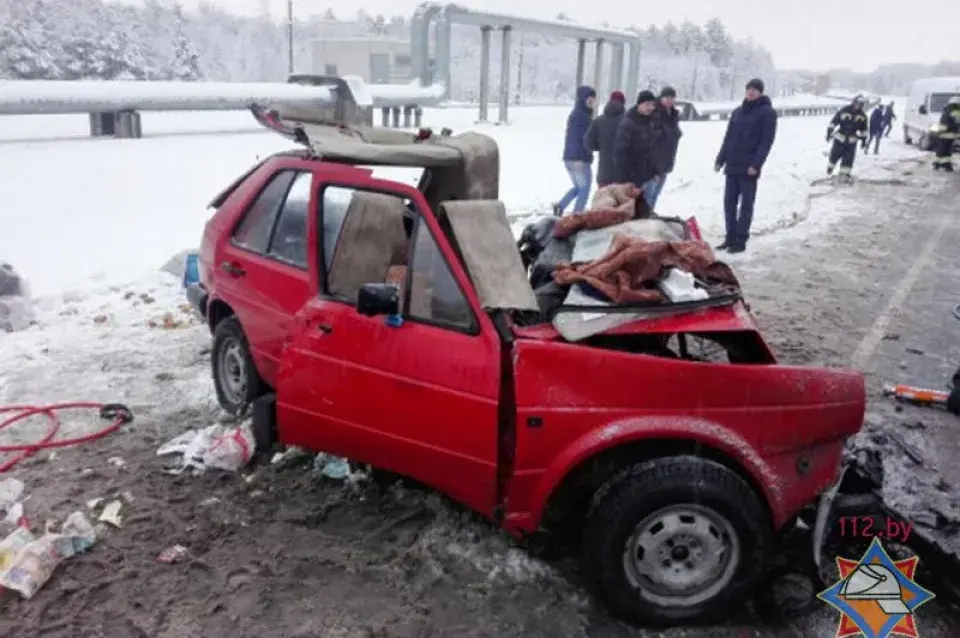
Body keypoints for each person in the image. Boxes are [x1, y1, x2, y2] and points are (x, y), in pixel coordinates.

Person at [713, 78, 777, 254]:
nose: (751, 92)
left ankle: (741, 239)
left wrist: (756, 164)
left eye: (755, 89)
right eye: (749, 88)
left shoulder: (767, 113)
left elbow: (766, 142)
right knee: (729, 203)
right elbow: (729, 137)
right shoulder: (737, 112)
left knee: (746, 205)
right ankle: (730, 236)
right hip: (732, 163)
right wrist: (721, 158)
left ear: (761, 92)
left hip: (749, 167)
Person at [613, 90, 665, 209]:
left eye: (652, 105)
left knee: (647, 211)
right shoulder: (628, 123)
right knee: (633, 213)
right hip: (633, 180)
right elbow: (620, 154)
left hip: (650, 177)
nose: (650, 108)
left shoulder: (650, 122)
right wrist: (630, 181)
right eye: (647, 104)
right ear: (639, 104)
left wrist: (656, 171)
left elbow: (653, 150)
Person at [553, 85, 596, 215]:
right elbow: (580, 138)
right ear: (582, 100)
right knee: (584, 189)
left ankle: (560, 206)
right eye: (589, 99)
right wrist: (583, 155)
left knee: (578, 188)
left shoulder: (575, 114)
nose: (592, 102)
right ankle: (577, 216)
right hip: (580, 159)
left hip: (569, 158)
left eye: (593, 100)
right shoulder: (583, 117)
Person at [649, 86, 683, 209]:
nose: (669, 100)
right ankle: (644, 220)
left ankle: (649, 216)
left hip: (666, 161)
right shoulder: (655, 113)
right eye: (667, 98)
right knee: (648, 195)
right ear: (661, 98)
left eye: (672, 98)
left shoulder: (673, 115)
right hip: (653, 164)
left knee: (655, 195)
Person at [584, 90, 627, 188]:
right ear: (623, 103)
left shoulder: (598, 121)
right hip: (623, 176)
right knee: (620, 203)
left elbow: (588, 143)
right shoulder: (629, 121)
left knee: (603, 202)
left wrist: (602, 145)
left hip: (604, 174)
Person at [826, 95, 868, 180]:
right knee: (835, 154)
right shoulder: (844, 110)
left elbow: (864, 129)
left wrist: (863, 141)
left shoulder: (863, 116)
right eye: (858, 104)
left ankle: (844, 174)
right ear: (854, 102)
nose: (858, 106)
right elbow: (834, 122)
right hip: (840, 137)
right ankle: (830, 169)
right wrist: (829, 133)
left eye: (861, 105)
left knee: (848, 158)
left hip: (852, 140)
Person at [933, 95, 960, 172]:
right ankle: (945, 165)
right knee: (946, 151)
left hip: (943, 134)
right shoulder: (955, 112)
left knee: (941, 150)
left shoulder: (946, 111)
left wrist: (938, 132)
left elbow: (943, 123)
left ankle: (938, 164)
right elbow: (955, 123)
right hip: (949, 135)